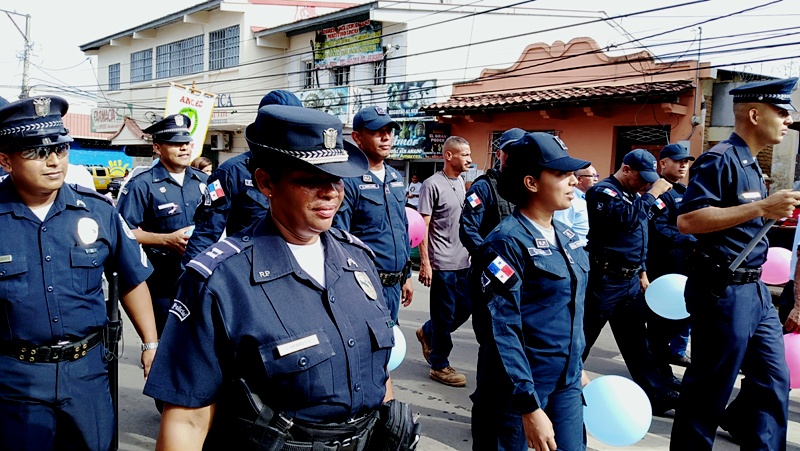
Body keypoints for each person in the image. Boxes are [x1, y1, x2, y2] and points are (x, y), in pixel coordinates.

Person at [144, 104, 419, 450]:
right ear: (266, 183)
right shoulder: (220, 282)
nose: (330, 192)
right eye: (311, 180)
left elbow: (378, 372)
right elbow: (187, 420)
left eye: (336, 178)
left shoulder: (359, 260)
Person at [0, 96, 158, 450]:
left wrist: (150, 344)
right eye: (37, 152)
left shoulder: (98, 211)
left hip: (87, 372)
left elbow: (132, 278)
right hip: (15, 378)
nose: (53, 161)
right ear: (6, 160)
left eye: (60, 148)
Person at [670, 77, 800, 450]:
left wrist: (768, 208)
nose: (788, 120)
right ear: (755, 115)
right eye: (781, 112)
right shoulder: (720, 158)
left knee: (773, 382)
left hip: (755, 290)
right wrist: (762, 207)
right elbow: (688, 220)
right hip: (723, 289)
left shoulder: (751, 164)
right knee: (710, 389)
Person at [469, 132, 590, 451]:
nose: (574, 181)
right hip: (519, 388)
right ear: (531, 183)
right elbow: (502, 329)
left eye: (573, 173)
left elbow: (570, 309)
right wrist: (529, 406)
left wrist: (576, 362)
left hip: (566, 381)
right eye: (561, 174)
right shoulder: (504, 244)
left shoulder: (567, 236)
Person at [582, 148, 679, 414]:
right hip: (604, 280)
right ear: (626, 170)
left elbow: (639, 238)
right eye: (642, 178)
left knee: (637, 342)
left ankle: (656, 394)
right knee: (582, 338)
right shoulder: (603, 192)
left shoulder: (633, 195)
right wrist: (653, 193)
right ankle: (559, 387)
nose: (646, 184)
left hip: (629, 281)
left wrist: (642, 272)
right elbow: (628, 220)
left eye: (650, 180)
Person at [183, 90, 303, 265]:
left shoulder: (311, 170)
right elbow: (206, 233)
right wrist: (191, 276)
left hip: (300, 264)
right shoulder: (231, 172)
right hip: (250, 266)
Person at [117, 114, 208, 335]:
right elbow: (123, 231)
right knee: (165, 344)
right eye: (176, 144)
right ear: (158, 148)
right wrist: (166, 240)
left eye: (187, 142)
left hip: (202, 279)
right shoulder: (142, 185)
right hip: (162, 283)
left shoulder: (204, 182)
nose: (184, 148)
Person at [334, 106, 412, 323]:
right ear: (357, 138)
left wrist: (406, 276)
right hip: (364, 285)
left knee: (391, 340)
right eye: (378, 131)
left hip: (394, 286)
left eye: (389, 131)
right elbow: (339, 240)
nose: (386, 137)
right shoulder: (348, 181)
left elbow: (402, 229)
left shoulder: (396, 178)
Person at [415, 136, 472, 387]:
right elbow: (423, 226)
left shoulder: (461, 183)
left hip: (463, 261)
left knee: (465, 308)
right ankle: (439, 364)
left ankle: (428, 331)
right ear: (449, 156)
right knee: (444, 315)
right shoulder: (431, 185)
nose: (470, 159)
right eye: (465, 154)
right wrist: (425, 263)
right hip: (442, 263)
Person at [645, 143, 696, 379]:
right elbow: (657, 228)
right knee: (660, 325)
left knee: (680, 318)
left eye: (686, 162)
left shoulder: (684, 191)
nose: (683, 165)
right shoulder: (659, 192)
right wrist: (689, 238)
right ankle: (658, 373)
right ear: (663, 163)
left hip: (684, 267)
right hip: (664, 266)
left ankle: (666, 360)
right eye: (678, 161)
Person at [459, 127, 525, 257]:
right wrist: (491, 258)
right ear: (499, 154)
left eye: (519, 151)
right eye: (509, 151)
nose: (513, 156)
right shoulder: (482, 187)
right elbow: (468, 229)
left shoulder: (531, 187)